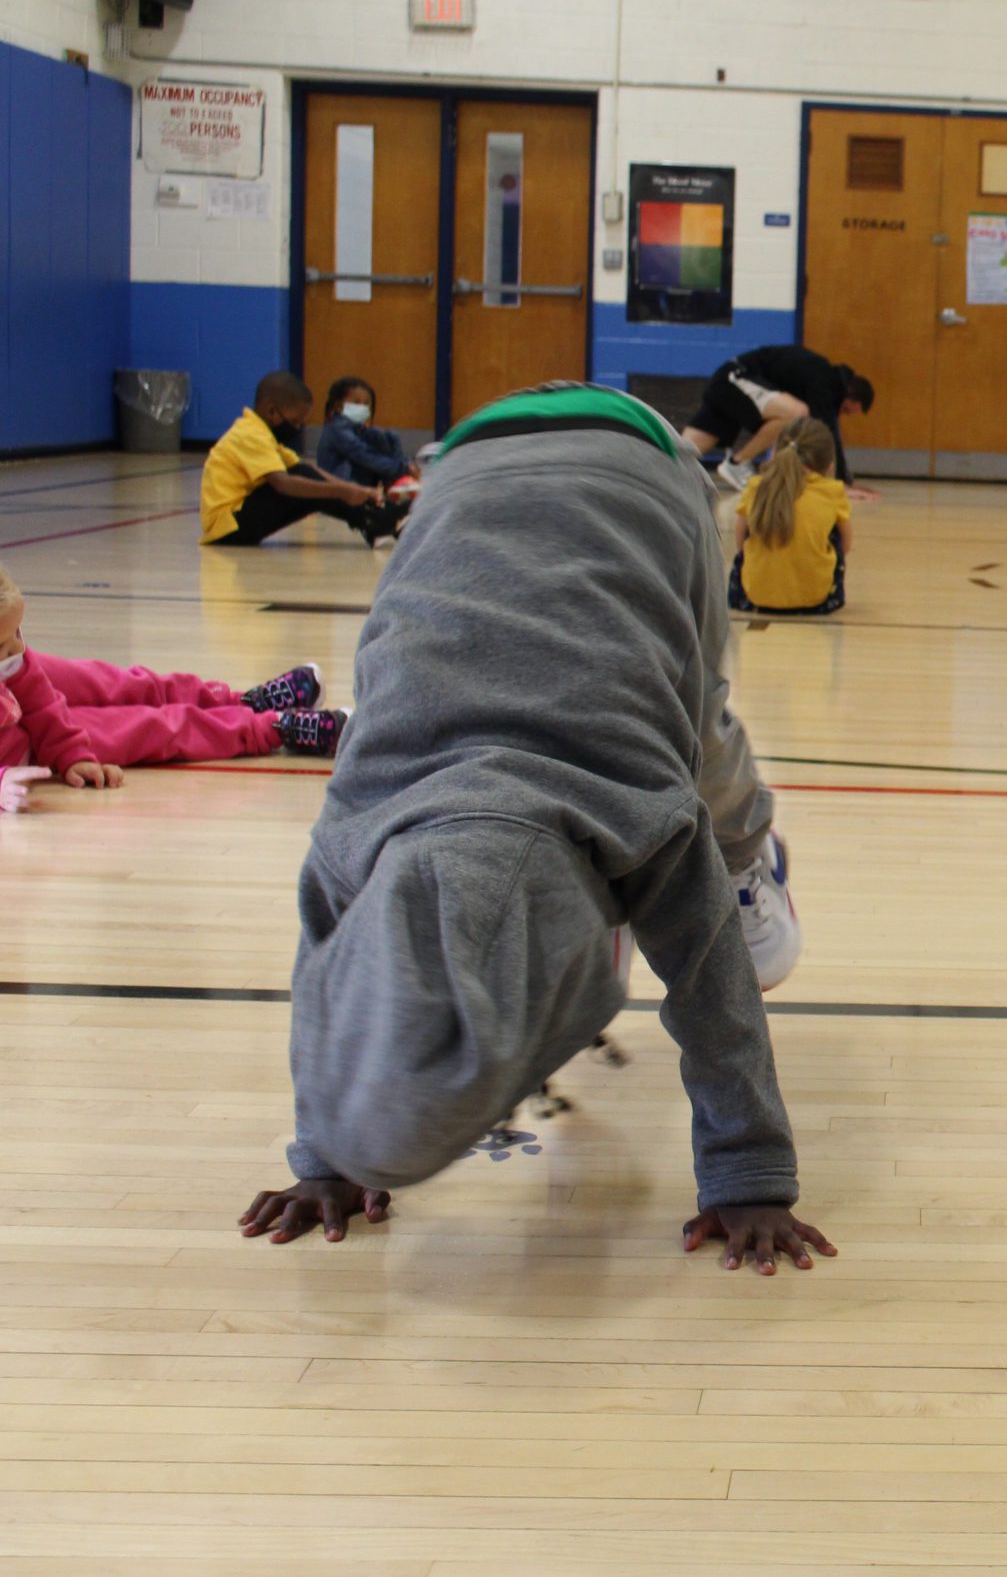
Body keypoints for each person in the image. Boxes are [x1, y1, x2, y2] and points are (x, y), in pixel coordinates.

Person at [236, 382, 832, 1275]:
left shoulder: (646, 807)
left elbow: (716, 994)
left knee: (700, 735)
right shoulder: (358, 819)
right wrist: (329, 1157)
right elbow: (335, 973)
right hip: (466, 456)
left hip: (643, 467)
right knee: (677, 761)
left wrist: (749, 1175)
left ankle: (754, 857)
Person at [0, 562, 344, 793]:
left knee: (122, 683)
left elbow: (40, 700)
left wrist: (70, 750)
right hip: (23, 748)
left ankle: (240, 701)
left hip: (25, 709)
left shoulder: (13, 653)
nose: (18, 646)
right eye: (6, 642)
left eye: (18, 631)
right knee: (151, 727)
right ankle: (272, 728)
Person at [201, 372, 404, 548]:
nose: (297, 428)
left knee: (308, 482)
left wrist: (357, 491)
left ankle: (374, 522)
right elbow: (283, 483)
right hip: (229, 526)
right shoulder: (249, 435)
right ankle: (377, 522)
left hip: (237, 523)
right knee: (302, 481)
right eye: (296, 422)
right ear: (272, 412)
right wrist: (343, 491)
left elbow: (303, 467)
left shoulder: (263, 433)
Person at [677, 344, 875, 492]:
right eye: (846, 410)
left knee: (678, 457)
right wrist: (841, 484)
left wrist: (845, 481)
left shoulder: (820, 381)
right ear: (848, 392)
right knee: (797, 413)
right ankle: (737, 464)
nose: (841, 415)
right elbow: (829, 434)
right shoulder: (825, 381)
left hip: (729, 387)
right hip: (735, 379)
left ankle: (659, 473)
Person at [732, 418, 851, 616]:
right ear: (829, 464)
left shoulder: (755, 486)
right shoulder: (832, 491)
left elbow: (739, 539)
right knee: (832, 534)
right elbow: (846, 544)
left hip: (754, 596)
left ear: (775, 453)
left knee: (751, 535)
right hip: (816, 600)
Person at [309, 376, 414, 496]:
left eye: (366, 404)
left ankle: (394, 484)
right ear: (339, 406)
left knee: (385, 435)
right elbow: (364, 455)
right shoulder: (337, 429)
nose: (362, 408)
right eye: (356, 403)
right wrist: (403, 468)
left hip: (358, 482)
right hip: (338, 485)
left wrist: (405, 463)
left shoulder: (358, 428)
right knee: (375, 454)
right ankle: (398, 479)